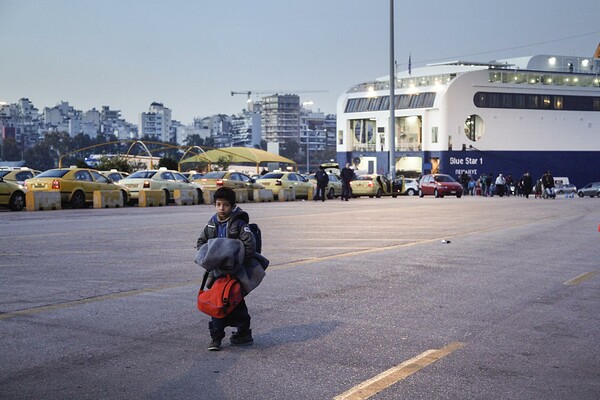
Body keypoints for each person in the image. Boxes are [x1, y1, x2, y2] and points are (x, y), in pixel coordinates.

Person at [196, 187, 256, 351]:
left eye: (226, 205)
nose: (222, 208)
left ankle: (243, 334)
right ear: (214, 205)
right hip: (218, 275)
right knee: (217, 304)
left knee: (237, 304)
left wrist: (238, 262)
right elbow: (201, 243)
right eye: (218, 204)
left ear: (233, 205)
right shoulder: (211, 225)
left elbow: (249, 245)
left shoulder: (239, 224)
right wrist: (209, 259)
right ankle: (216, 338)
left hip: (235, 275)